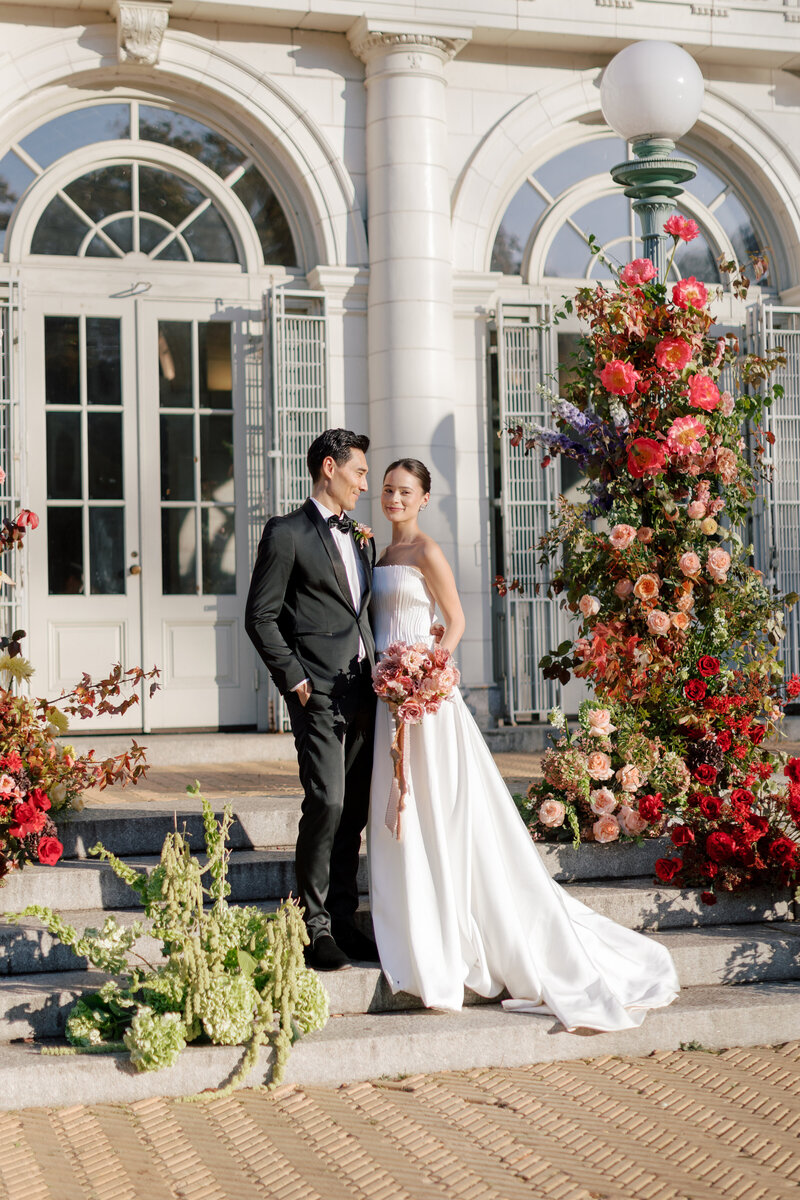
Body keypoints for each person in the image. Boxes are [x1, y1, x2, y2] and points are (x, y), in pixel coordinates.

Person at [367, 457, 680, 1031]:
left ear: (424, 498)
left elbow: (455, 622)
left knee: (439, 810)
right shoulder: (380, 555)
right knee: (406, 814)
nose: (394, 499)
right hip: (390, 700)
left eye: (405, 491)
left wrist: (426, 672)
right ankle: (415, 923)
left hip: (426, 701)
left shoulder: (427, 552)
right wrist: (394, 681)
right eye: (388, 489)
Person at [245, 428, 380, 971]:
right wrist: (295, 678)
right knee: (327, 802)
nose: (365, 484)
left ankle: (344, 921)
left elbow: (360, 613)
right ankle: (313, 928)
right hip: (316, 694)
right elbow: (261, 616)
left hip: (365, 692)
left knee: (353, 812)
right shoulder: (287, 533)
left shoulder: (362, 538)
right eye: (359, 472)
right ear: (330, 467)